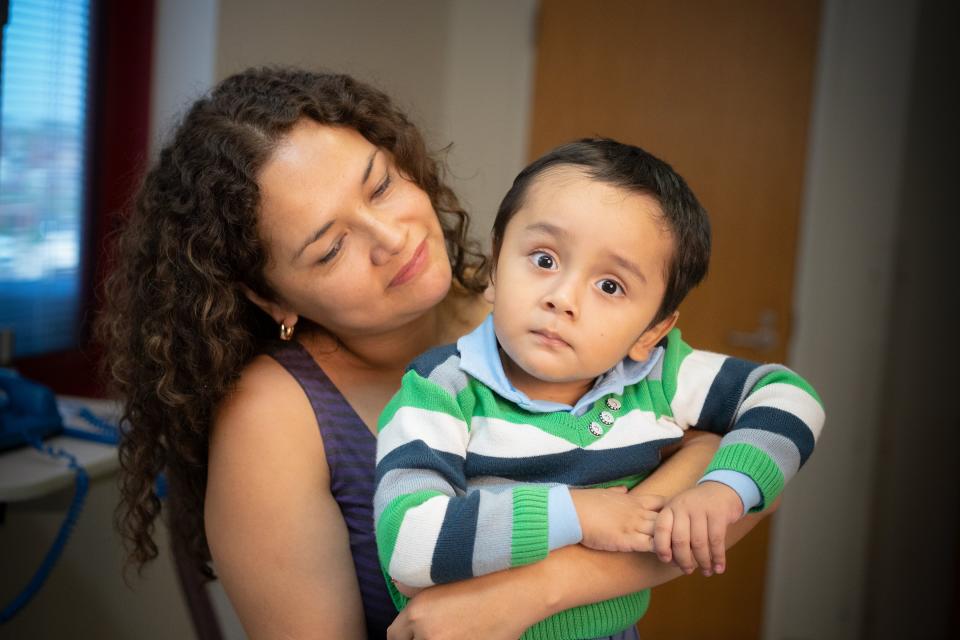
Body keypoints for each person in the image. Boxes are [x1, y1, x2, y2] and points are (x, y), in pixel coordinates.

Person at [100, 67, 774, 640]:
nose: (391, 236)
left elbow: (748, 470)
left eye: (382, 184)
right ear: (271, 297)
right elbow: (692, 480)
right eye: (330, 247)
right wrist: (665, 490)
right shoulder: (273, 418)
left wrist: (531, 593)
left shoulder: (536, 312)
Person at [374, 138, 825, 639]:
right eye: (544, 259)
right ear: (496, 268)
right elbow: (408, 544)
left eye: (610, 286)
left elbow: (788, 396)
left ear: (652, 330)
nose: (562, 298)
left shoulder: (660, 374)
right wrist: (577, 514)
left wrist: (725, 488)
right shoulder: (442, 390)